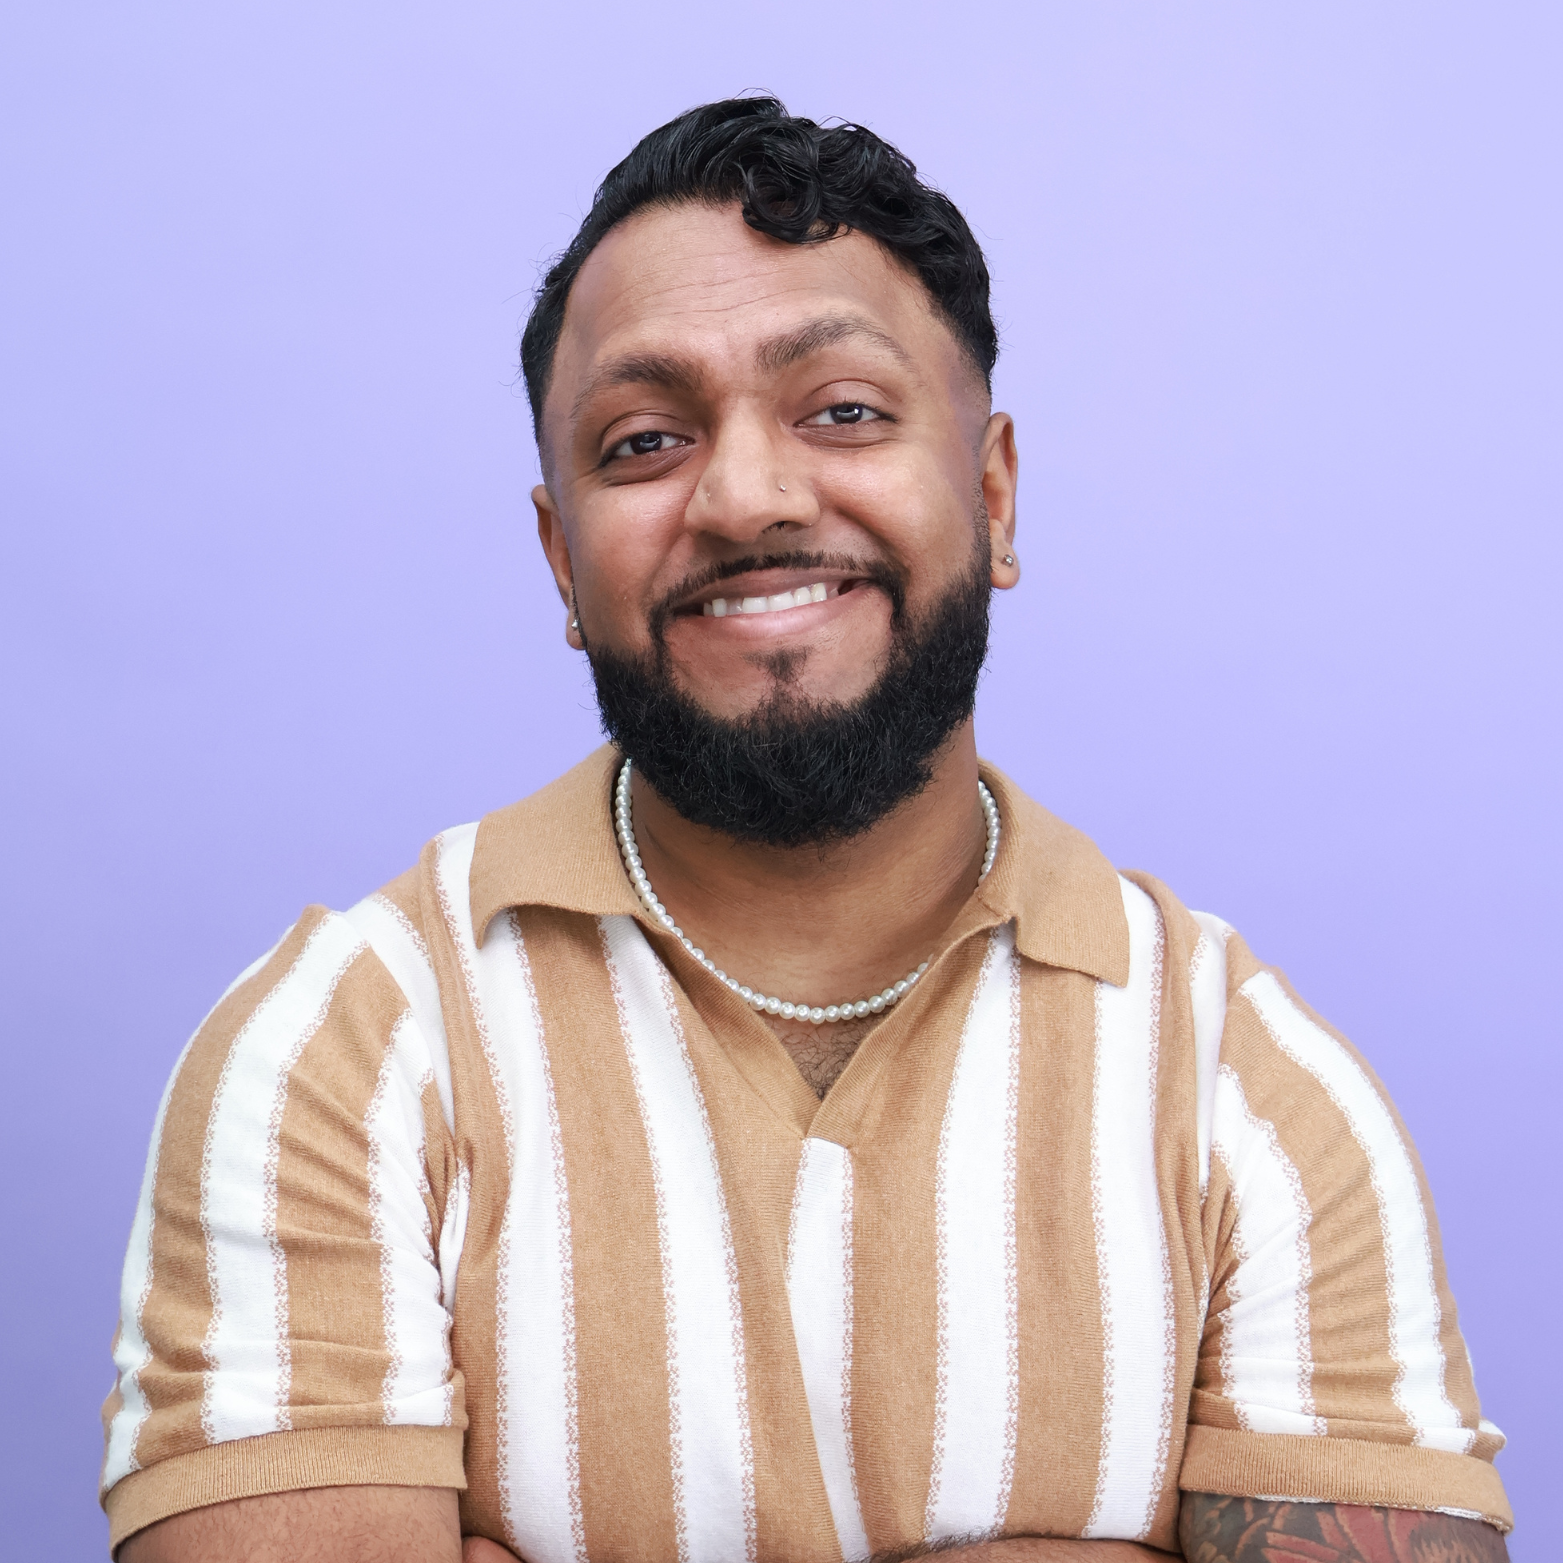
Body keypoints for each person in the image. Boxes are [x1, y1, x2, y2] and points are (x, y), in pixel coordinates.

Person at [100, 98, 1512, 1563]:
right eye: (643, 440)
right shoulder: (340, 1050)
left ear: (991, 491)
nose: (749, 497)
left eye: (841, 410)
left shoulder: (1251, 1089)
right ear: (560, 561)